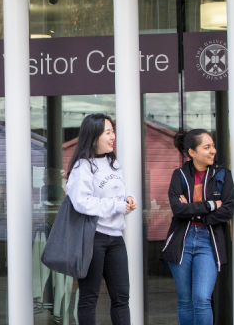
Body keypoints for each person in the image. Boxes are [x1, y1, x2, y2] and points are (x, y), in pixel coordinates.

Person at [65, 113, 136, 325]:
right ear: (94, 135)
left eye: (113, 131)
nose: (113, 136)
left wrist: (126, 201)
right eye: (108, 132)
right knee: (89, 297)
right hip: (93, 238)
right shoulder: (82, 167)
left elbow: (111, 196)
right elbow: (82, 203)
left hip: (115, 238)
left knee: (122, 297)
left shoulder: (113, 163)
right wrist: (116, 205)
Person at [161, 129, 234, 325]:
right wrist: (210, 205)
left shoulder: (222, 174)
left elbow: (227, 210)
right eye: (207, 147)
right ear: (192, 152)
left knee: (202, 299)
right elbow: (177, 209)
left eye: (213, 146)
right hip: (182, 242)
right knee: (185, 301)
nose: (213, 151)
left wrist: (193, 211)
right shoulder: (179, 175)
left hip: (208, 241)